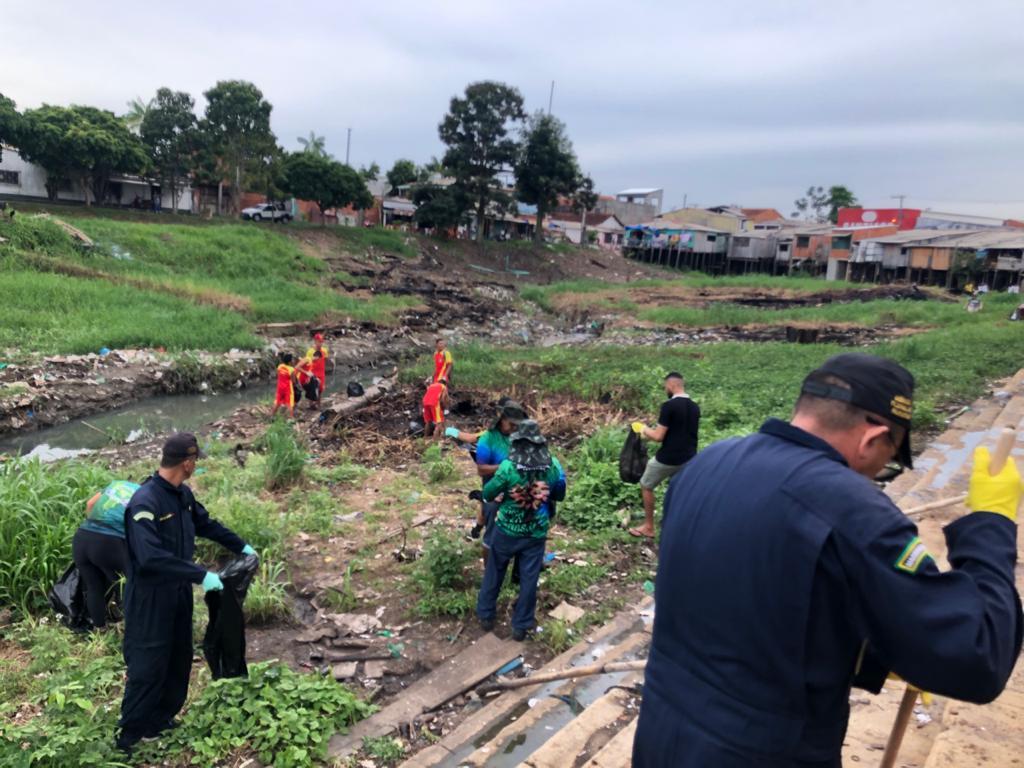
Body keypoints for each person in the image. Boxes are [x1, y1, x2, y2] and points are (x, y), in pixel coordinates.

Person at [632, 353, 1022, 767]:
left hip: (662, 737)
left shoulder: (706, 465)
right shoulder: (853, 510)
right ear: (872, 438)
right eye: (884, 460)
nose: (873, 474)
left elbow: (759, 601)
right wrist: (990, 525)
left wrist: (871, 654)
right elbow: (978, 659)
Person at [117, 433, 257, 753]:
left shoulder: (183, 495)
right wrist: (200, 575)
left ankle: (160, 720)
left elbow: (207, 525)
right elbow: (149, 558)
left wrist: (241, 546)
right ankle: (130, 736)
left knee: (178, 657)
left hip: (177, 593)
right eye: (195, 461)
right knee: (148, 663)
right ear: (187, 462)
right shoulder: (145, 502)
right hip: (150, 599)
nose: (195, 466)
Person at [476, 420, 566, 641]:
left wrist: (502, 492)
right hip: (535, 534)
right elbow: (560, 494)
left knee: (494, 571)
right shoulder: (553, 465)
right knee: (529, 578)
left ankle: (486, 615)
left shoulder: (508, 466)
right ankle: (521, 626)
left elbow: (488, 493)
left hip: (506, 530)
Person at [447, 399, 528, 559]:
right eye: (511, 424)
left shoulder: (517, 436)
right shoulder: (488, 438)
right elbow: (481, 469)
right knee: (493, 529)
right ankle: (490, 572)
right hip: (495, 490)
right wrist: (450, 431)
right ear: (502, 420)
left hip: (516, 490)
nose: (514, 428)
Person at [629, 372, 700, 538]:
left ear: (671, 385)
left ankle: (649, 527)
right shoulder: (694, 407)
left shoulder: (669, 406)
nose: (665, 389)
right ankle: (683, 527)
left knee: (646, 484)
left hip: (668, 458)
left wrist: (643, 428)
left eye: (665, 386)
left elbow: (658, 437)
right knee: (679, 489)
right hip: (690, 457)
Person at [71, 480, 137, 629]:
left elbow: (89, 504)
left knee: (94, 587)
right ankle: (132, 628)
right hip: (108, 542)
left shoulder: (116, 484)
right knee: (129, 581)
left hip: (82, 537)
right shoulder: (144, 495)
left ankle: (99, 629)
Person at [271, 353, 300, 419]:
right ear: (289, 362)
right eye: (292, 360)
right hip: (287, 388)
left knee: (277, 402)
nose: (293, 361)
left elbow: (279, 374)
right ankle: (291, 418)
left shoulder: (280, 366)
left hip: (280, 387)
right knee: (289, 403)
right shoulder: (291, 369)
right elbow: (293, 381)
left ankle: (272, 416)